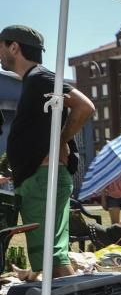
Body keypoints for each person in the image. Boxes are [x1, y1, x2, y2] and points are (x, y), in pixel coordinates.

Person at [1, 24, 94, 279]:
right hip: (38, 180)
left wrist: (60, 140)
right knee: (49, 260)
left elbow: (85, 107)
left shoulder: (40, 78)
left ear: (14, 47)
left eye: (1, 47)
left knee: (54, 262)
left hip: (44, 179)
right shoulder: (33, 81)